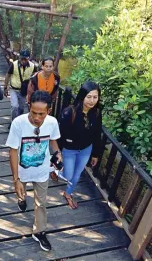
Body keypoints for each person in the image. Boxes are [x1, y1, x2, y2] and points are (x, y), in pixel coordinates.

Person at [5, 90, 62, 252]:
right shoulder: (18, 123)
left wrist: (58, 154)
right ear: (29, 107)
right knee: (21, 193)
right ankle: (21, 199)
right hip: (22, 171)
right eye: (34, 112)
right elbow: (13, 151)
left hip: (42, 170)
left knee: (41, 203)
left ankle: (39, 231)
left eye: (41, 114)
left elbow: (53, 142)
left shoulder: (52, 122)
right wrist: (15, 179)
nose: (37, 118)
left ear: (48, 111)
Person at [56, 81, 102, 209]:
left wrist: (95, 154)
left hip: (86, 149)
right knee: (68, 175)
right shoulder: (69, 113)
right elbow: (60, 135)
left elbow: (97, 134)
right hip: (69, 150)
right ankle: (56, 170)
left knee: (76, 174)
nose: (92, 101)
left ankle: (68, 193)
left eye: (95, 97)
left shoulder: (96, 112)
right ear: (82, 96)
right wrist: (58, 153)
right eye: (89, 97)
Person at [3, 49, 38, 122]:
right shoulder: (14, 64)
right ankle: (14, 122)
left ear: (28, 58)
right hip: (14, 89)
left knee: (21, 108)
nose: (23, 60)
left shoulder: (32, 66)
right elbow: (8, 75)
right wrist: (5, 87)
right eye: (22, 58)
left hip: (24, 91)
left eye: (25, 59)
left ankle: (19, 121)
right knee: (15, 106)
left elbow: (35, 78)